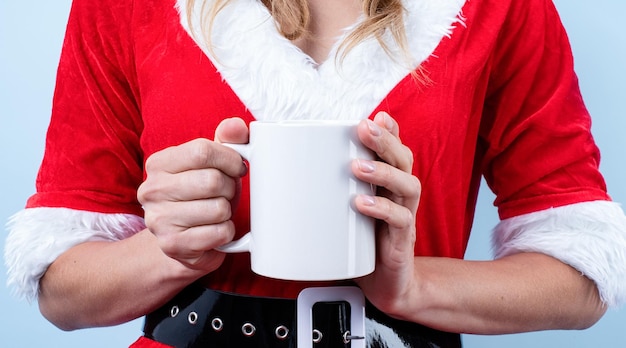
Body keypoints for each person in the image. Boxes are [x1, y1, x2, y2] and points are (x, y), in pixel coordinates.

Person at [5, 0, 626, 347]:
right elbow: (62, 294)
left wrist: (412, 288)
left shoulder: (501, 9)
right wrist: (170, 254)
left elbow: (580, 280)